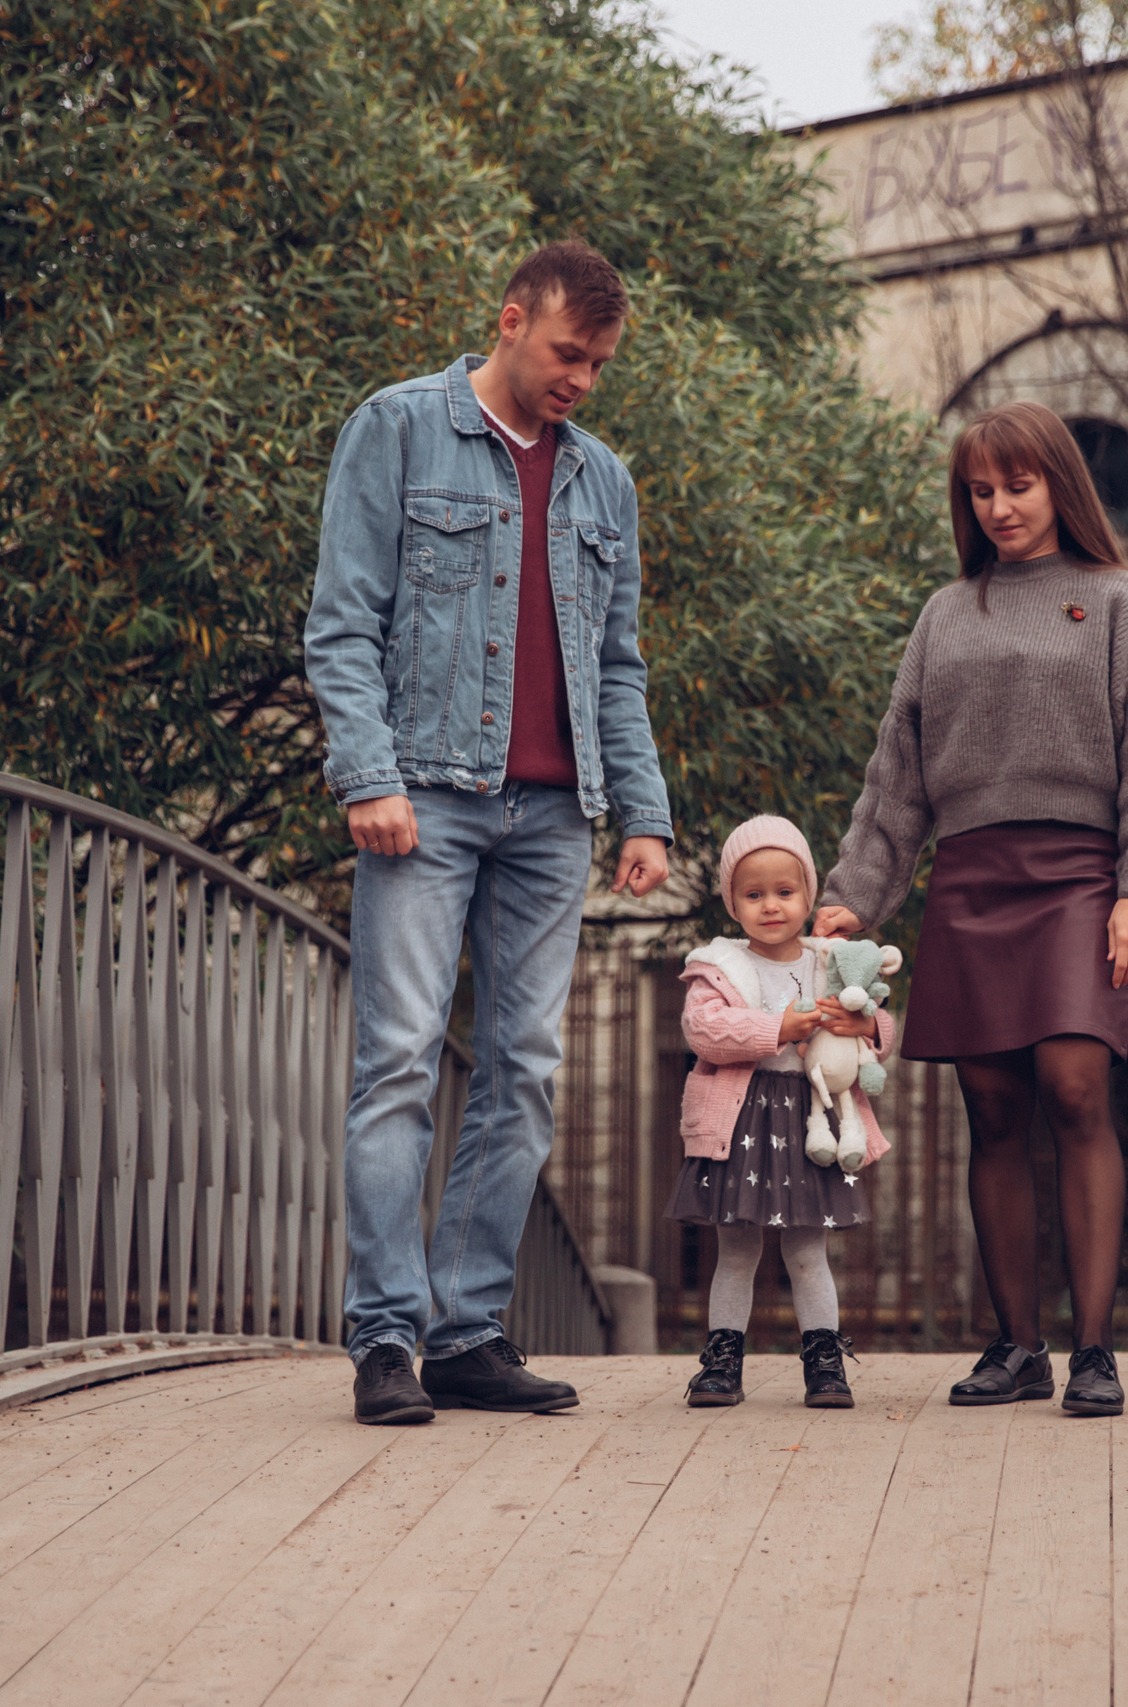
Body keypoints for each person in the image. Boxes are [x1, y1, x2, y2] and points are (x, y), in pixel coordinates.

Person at [305, 241, 674, 1426]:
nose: (583, 380)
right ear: (512, 321)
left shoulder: (600, 482)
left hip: (555, 817)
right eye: (570, 353)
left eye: (601, 364)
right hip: (423, 798)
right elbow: (341, 625)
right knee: (401, 1061)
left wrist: (645, 813)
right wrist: (368, 775)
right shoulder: (399, 429)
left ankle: (466, 1332)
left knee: (523, 1073)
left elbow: (617, 665)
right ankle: (383, 1341)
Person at [814, 401, 1128, 1418]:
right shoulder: (947, 613)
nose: (998, 507)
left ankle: (1095, 1350)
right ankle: (1016, 1346)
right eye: (980, 492)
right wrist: (853, 895)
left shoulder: (1119, 601)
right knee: (991, 1110)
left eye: (1017, 486)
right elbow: (898, 776)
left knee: (1074, 1087)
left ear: (1058, 483)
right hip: (972, 878)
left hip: (1081, 876)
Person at [670, 816, 894, 1410]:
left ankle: (823, 1362)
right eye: (753, 894)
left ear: (809, 897)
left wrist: (865, 1023)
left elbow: (881, 1023)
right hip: (742, 1123)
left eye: (784, 892)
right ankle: (722, 1361)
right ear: (733, 903)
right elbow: (704, 1031)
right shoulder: (718, 965)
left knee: (806, 1249)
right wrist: (778, 1027)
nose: (771, 905)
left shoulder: (833, 962)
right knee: (736, 1248)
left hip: (809, 1120)